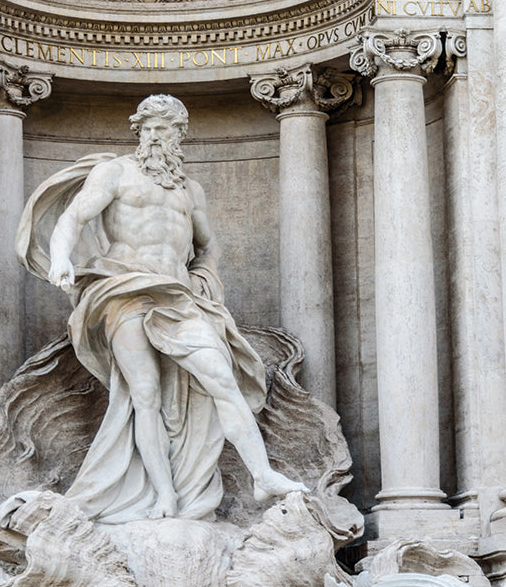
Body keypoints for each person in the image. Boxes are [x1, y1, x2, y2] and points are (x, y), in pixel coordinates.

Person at [16, 93, 303, 524]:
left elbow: (207, 246)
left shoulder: (191, 190)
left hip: (178, 296)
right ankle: (164, 496)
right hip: (124, 290)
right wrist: (60, 259)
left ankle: (262, 475)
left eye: (163, 129)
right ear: (138, 132)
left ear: (179, 136)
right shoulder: (114, 172)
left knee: (221, 377)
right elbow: (73, 218)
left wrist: (204, 276)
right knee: (144, 395)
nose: (153, 136)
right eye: (147, 128)